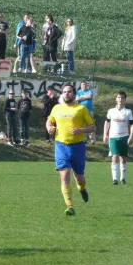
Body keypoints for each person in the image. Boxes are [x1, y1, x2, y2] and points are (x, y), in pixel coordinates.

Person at [46, 84, 95, 216]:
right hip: (61, 145)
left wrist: (81, 130)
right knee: (64, 174)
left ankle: (82, 188)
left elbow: (93, 127)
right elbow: (49, 121)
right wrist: (49, 128)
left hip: (78, 146)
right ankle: (70, 206)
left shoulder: (81, 109)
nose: (66, 94)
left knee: (79, 178)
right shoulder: (57, 108)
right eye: (64, 92)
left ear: (74, 94)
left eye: (69, 92)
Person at [104, 91, 133, 185]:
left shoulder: (128, 112)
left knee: (124, 157)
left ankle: (122, 178)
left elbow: (132, 124)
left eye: (122, 97)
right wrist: (105, 134)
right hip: (113, 137)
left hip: (124, 137)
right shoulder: (111, 111)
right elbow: (107, 122)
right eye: (118, 97)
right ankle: (114, 179)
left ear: (125, 99)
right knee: (115, 157)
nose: (120, 99)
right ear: (116, 99)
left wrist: (131, 136)